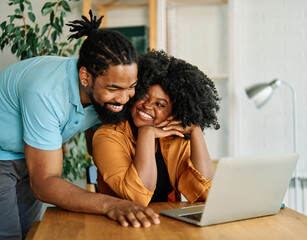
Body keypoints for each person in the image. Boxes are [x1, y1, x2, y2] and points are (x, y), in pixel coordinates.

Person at [0, 11, 159, 240]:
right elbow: (44, 183)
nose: (124, 99)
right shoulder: (46, 92)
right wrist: (109, 205)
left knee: (31, 233)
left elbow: (94, 132)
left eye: (131, 87)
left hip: (30, 155)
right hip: (2, 155)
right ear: (85, 77)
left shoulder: (108, 92)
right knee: (8, 235)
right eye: (114, 89)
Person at [92, 50, 220, 206]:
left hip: (166, 222)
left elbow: (205, 193)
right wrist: (147, 133)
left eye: (160, 104)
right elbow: (136, 198)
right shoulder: (107, 136)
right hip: (119, 223)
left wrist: (195, 130)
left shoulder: (175, 138)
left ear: (175, 112)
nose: (147, 105)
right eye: (144, 96)